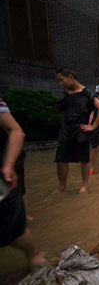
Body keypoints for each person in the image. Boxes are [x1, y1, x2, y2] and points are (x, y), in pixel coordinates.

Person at [0, 98, 47, 269]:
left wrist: (7, 165)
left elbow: (17, 132)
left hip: (3, 173)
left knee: (12, 228)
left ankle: (35, 255)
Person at [53, 67, 99, 194]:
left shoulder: (87, 93)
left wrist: (92, 126)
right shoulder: (67, 94)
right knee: (60, 160)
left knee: (84, 159)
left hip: (81, 130)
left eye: (62, 80)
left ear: (70, 77)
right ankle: (62, 187)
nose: (61, 83)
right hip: (66, 130)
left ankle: (84, 186)